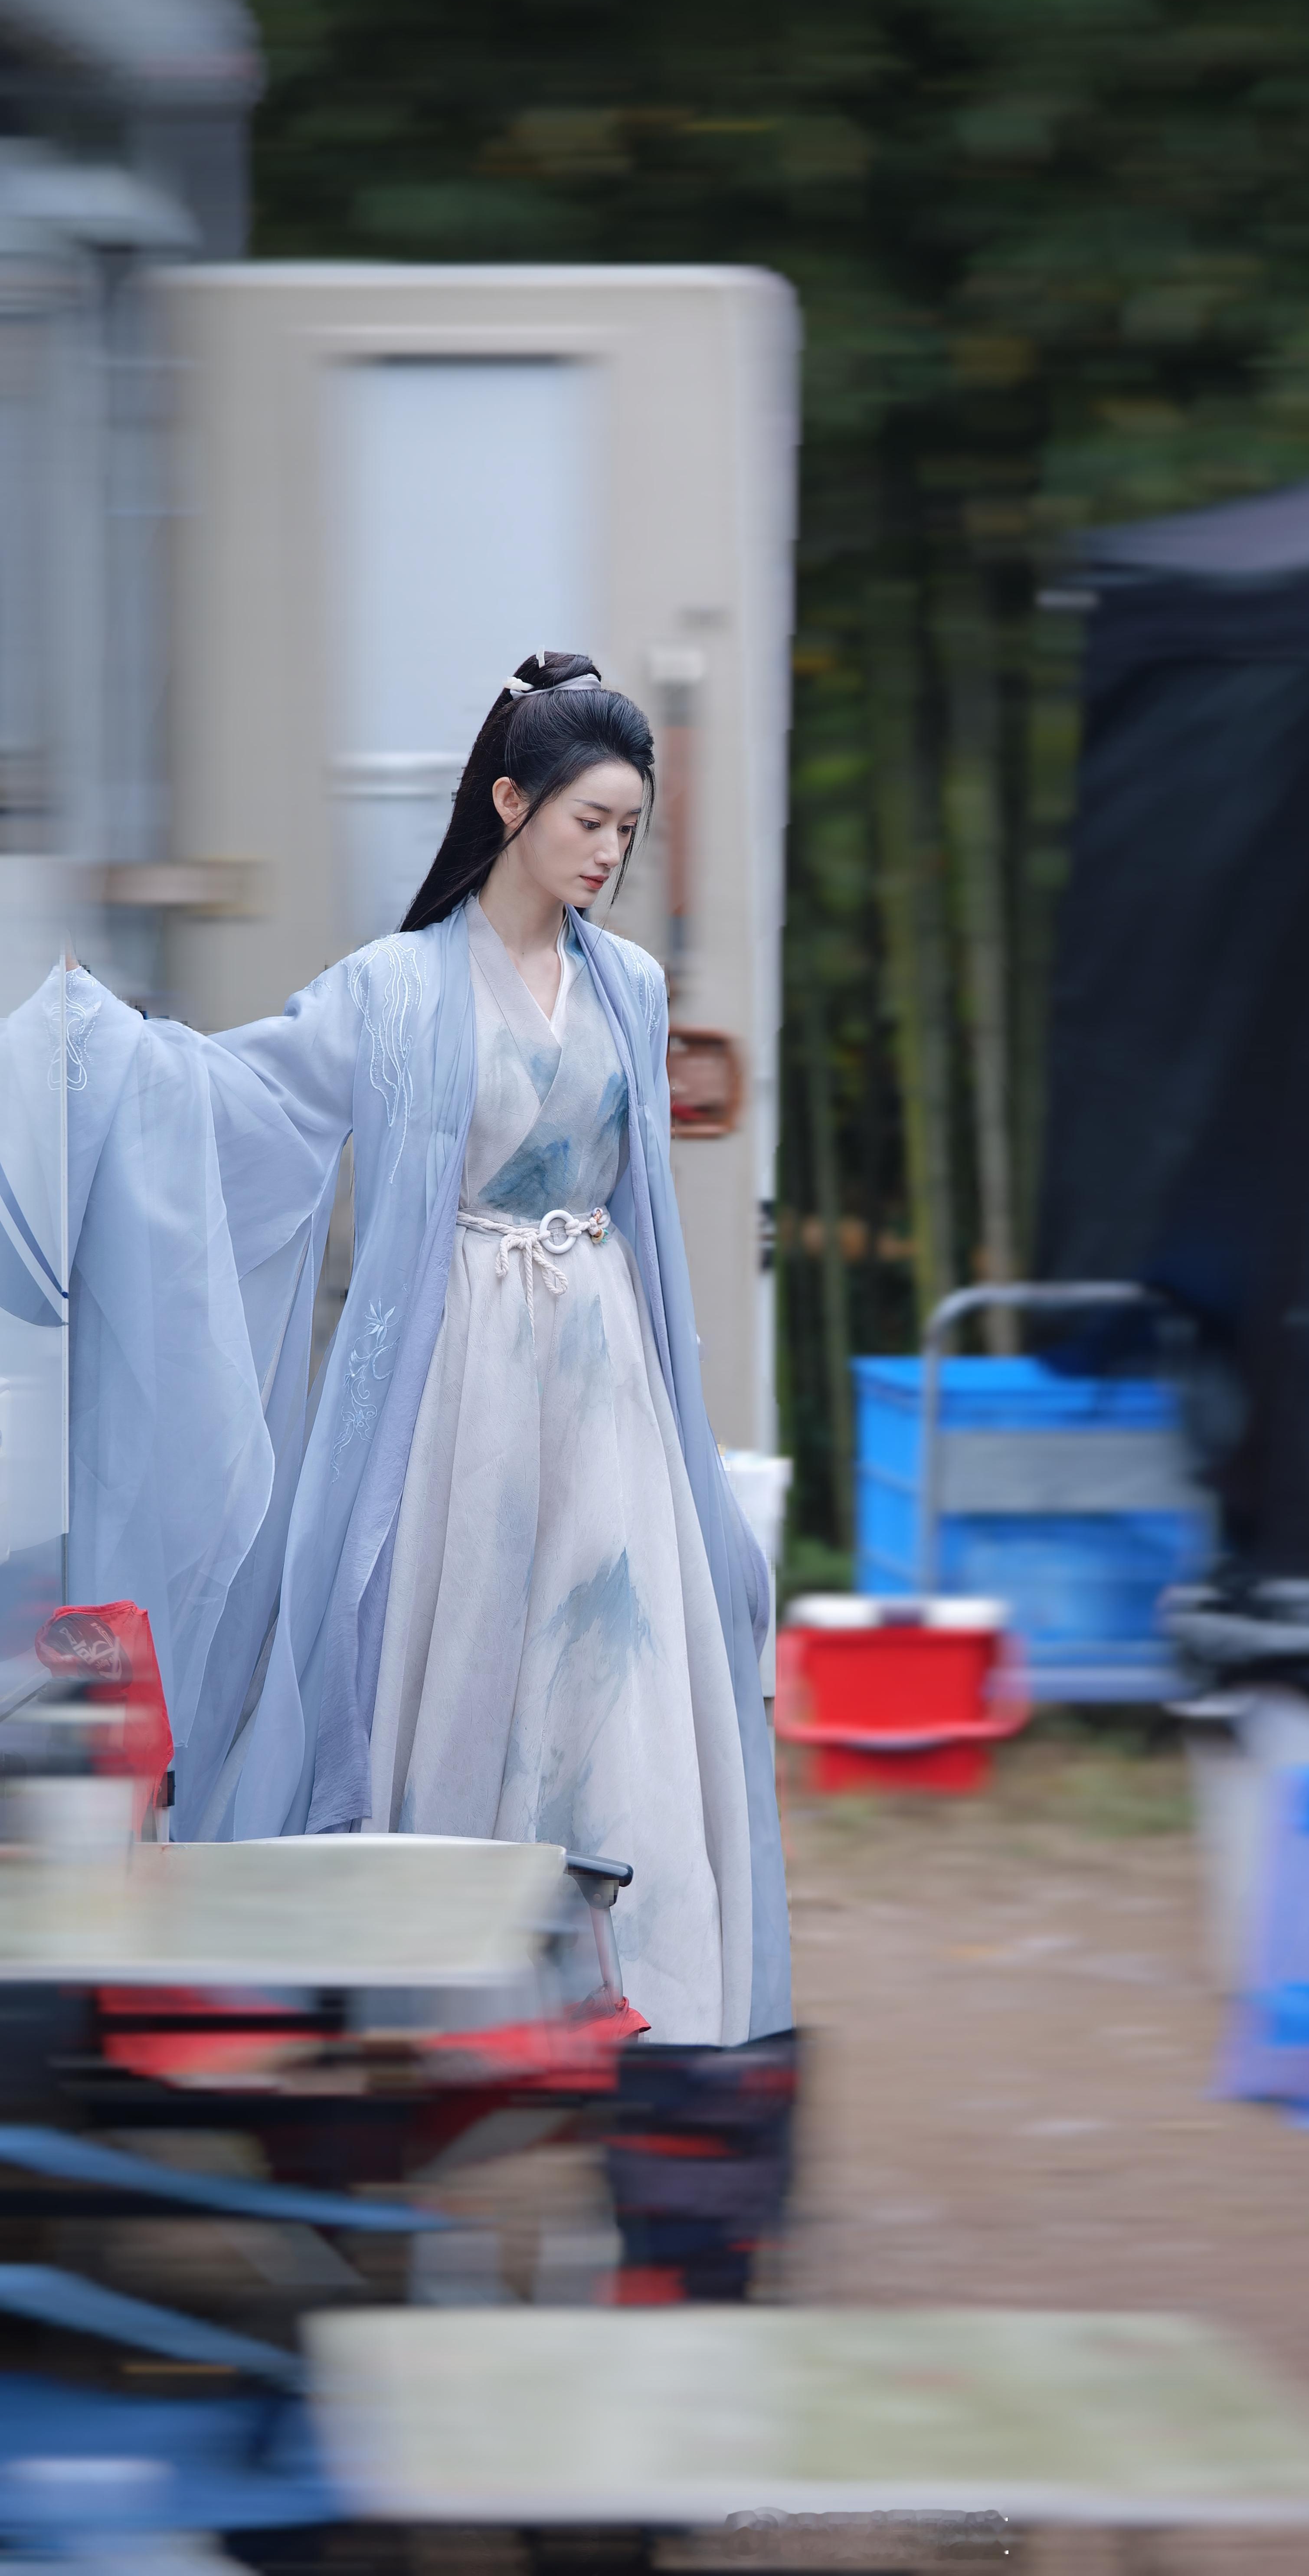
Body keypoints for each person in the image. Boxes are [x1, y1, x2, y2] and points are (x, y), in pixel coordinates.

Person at [8, 651, 788, 2046]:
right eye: (588, 820)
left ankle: (647, 1998)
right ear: (510, 801)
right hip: (460, 1372)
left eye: (628, 828)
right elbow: (241, 1099)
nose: (609, 853)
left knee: (611, 1655)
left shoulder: (633, 987)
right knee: (460, 1652)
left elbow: (646, 1212)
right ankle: (453, 1996)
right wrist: (101, 1051)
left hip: (605, 1365)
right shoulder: (392, 990)